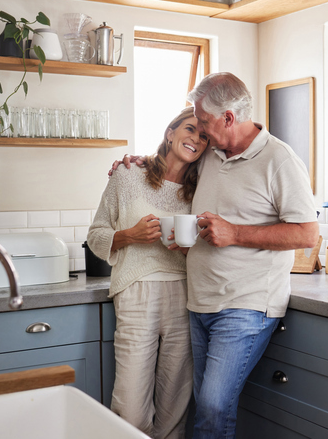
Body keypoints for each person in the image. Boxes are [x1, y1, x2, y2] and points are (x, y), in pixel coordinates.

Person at [116, 72, 319, 439]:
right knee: (203, 405)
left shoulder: (280, 160)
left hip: (246, 305)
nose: (201, 131)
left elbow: (307, 234)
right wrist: (138, 162)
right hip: (199, 303)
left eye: (205, 121)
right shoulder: (212, 153)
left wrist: (235, 233)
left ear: (228, 117)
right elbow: (174, 159)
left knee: (212, 406)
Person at [88, 107, 208, 439]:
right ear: (170, 133)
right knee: (130, 410)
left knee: (174, 409)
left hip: (185, 296)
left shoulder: (202, 190)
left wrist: (186, 248)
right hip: (136, 292)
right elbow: (96, 234)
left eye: (203, 136)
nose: (195, 139)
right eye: (189, 129)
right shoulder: (128, 175)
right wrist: (130, 235)